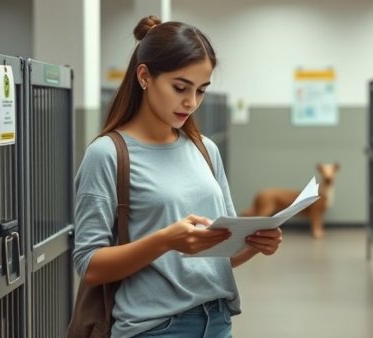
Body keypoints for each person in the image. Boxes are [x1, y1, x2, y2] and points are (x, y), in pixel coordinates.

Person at [73, 15, 283, 338]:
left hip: (217, 321)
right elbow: (89, 265)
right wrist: (165, 241)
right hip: (153, 328)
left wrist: (255, 244)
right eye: (180, 87)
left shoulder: (205, 150)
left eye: (201, 90)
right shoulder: (108, 154)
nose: (191, 102)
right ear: (144, 76)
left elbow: (218, 255)